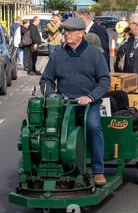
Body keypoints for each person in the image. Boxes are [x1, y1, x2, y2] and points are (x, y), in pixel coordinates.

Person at [39, 18, 110, 186]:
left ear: (81, 34)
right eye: (65, 31)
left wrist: (91, 97)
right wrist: (51, 95)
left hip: (89, 104)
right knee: (49, 130)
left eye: (70, 31)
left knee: (93, 126)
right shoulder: (58, 55)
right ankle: (55, 166)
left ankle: (98, 170)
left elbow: (104, 80)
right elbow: (46, 80)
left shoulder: (94, 54)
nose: (66, 34)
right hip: (63, 105)